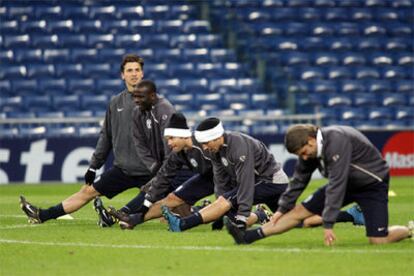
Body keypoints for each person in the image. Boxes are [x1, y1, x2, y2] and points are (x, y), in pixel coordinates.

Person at [19, 55, 175, 226]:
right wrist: (94, 166)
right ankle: (42, 215)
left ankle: (116, 216)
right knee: (86, 191)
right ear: (122, 75)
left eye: (137, 70)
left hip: (151, 171)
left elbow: (168, 138)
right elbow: (106, 136)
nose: (134, 74)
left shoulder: (156, 103)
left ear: (142, 74)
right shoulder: (115, 103)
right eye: (129, 70)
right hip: (124, 169)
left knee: (169, 209)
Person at [225, 124, 413, 245]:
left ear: (312, 140)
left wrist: (328, 225)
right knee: (298, 212)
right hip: (346, 183)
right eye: (300, 155)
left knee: (378, 240)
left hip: (372, 185)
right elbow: (298, 181)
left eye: (305, 152)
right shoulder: (311, 150)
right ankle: (247, 237)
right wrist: (282, 209)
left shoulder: (336, 140)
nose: (304, 157)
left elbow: (337, 184)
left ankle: (409, 230)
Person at [108, 113, 270, 230]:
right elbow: (161, 180)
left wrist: (223, 204)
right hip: (207, 178)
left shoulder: (205, 145)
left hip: (230, 179)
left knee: (231, 220)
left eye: (171, 138)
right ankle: (135, 219)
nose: (169, 143)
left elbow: (232, 171)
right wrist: (145, 206)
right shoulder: (178, 154)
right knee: (172, 198)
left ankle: (259, 215)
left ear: (183, 136)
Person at [161, 117, 289, 232]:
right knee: (292, 221)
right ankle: (260, 215)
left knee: (226, 203)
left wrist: (242, 216)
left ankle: (182, 224)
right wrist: (221, 214)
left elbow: (246, 182)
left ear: (217, 137)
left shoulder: (239, 146)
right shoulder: (214, 150)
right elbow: (220, 180)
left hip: (271, 181)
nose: (204, 148)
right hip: (261, 182)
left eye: (206, 143)